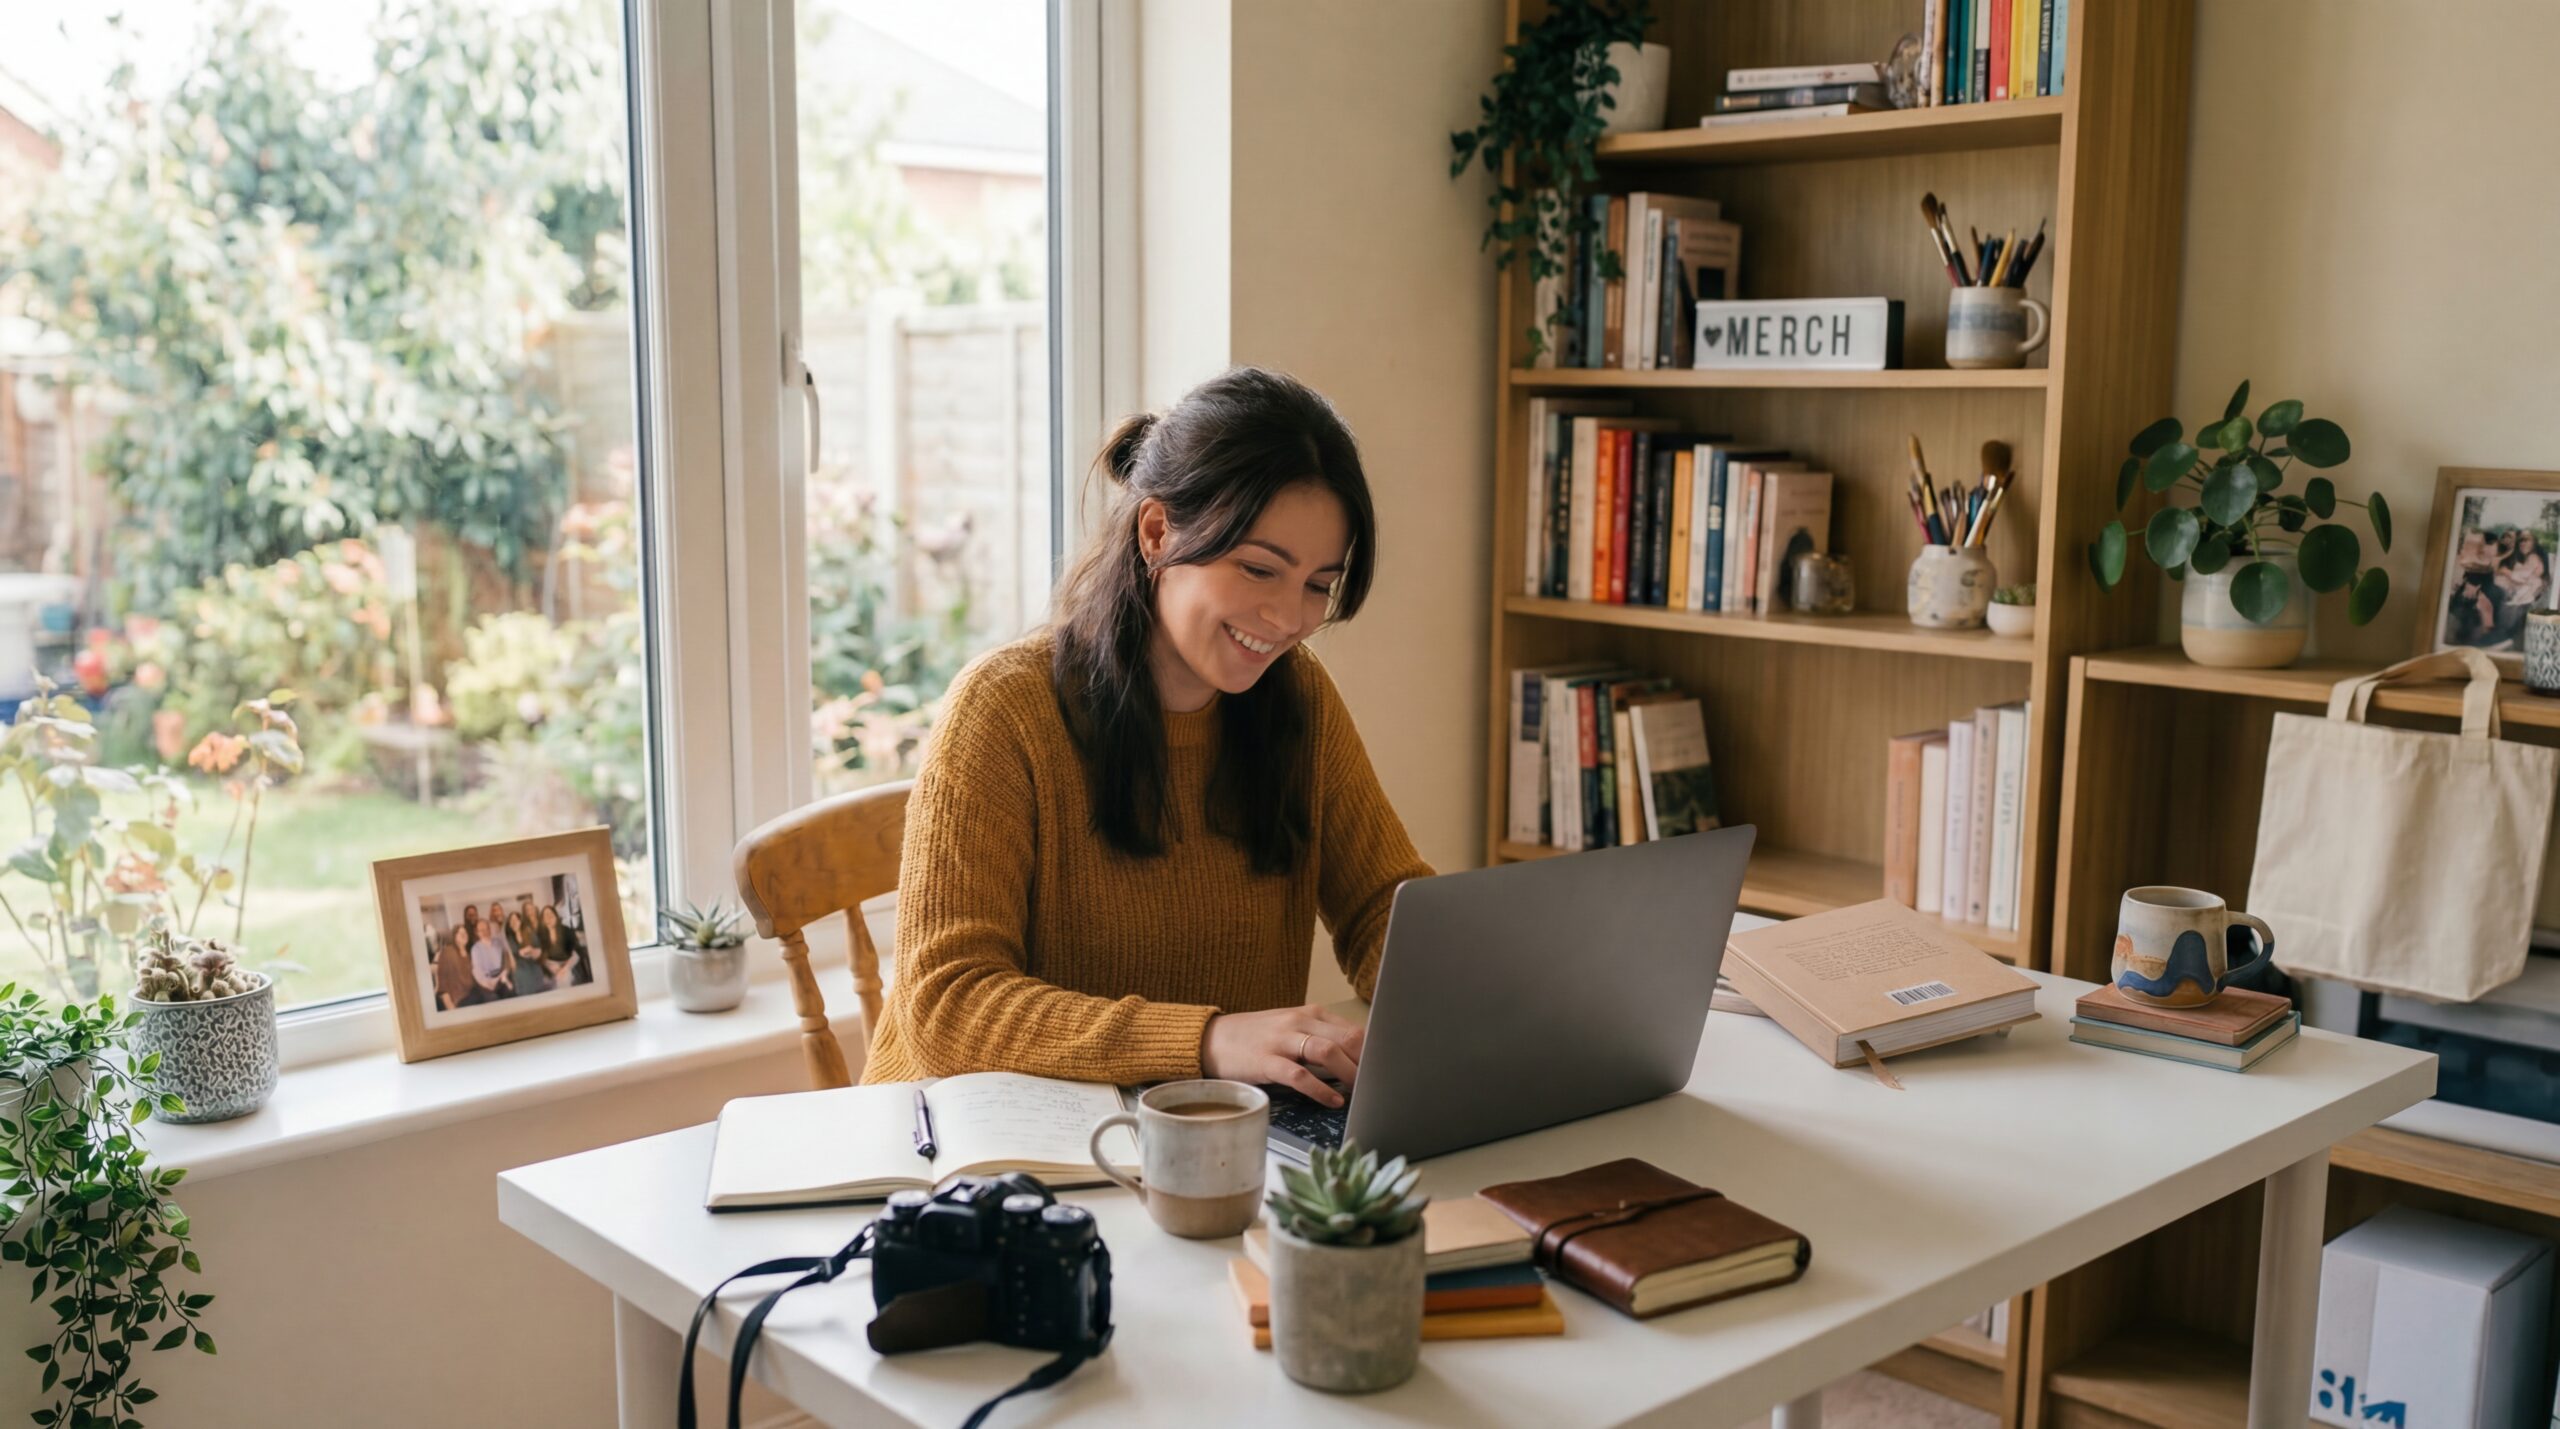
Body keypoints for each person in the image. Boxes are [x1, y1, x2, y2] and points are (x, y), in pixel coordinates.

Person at [859, 367, 1434, 1107]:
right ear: (1157, 532)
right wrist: (1205, 1040)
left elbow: (1381, 906)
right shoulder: (1005, 710)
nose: (1289, 618)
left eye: (1319, 584)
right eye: (1260, 569)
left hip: (1189, 1138)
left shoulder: (1300, 700)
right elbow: (949, 1007)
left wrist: (1471, 1000)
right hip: (972, 1156)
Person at [433, 927, 478, 1012]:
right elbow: (443, 982)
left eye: (465, 932)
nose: (463, 935)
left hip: (471, 994)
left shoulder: (470, 955)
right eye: (460, 933)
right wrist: (450, 1006)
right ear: (454, 936)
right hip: (456, 1001)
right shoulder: (448, 952)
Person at [505, 910, 548, 997]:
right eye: (511, 921)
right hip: (520, 966)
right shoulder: (509, 939)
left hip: (533, 963)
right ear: (509, 925)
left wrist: (531, 950)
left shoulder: (530, 933)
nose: (513, 923)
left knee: (536, 973)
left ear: (520, 921)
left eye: (515, 920)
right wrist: (516, 956)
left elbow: (539, 950)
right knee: (520, 974)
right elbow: (512, 956)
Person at [468, 916, 511, 1000]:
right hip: (486, 980)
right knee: (494, 999)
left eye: (486, 928)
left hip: (502, 976)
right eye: (481, 930)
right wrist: (490, 983)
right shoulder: (475, 949)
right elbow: (477, 971)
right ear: (477, 933)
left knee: (510, 994)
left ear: (489, 929)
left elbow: (506, 959)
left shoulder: (498, 942)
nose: (484, 932)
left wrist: (505, 973)